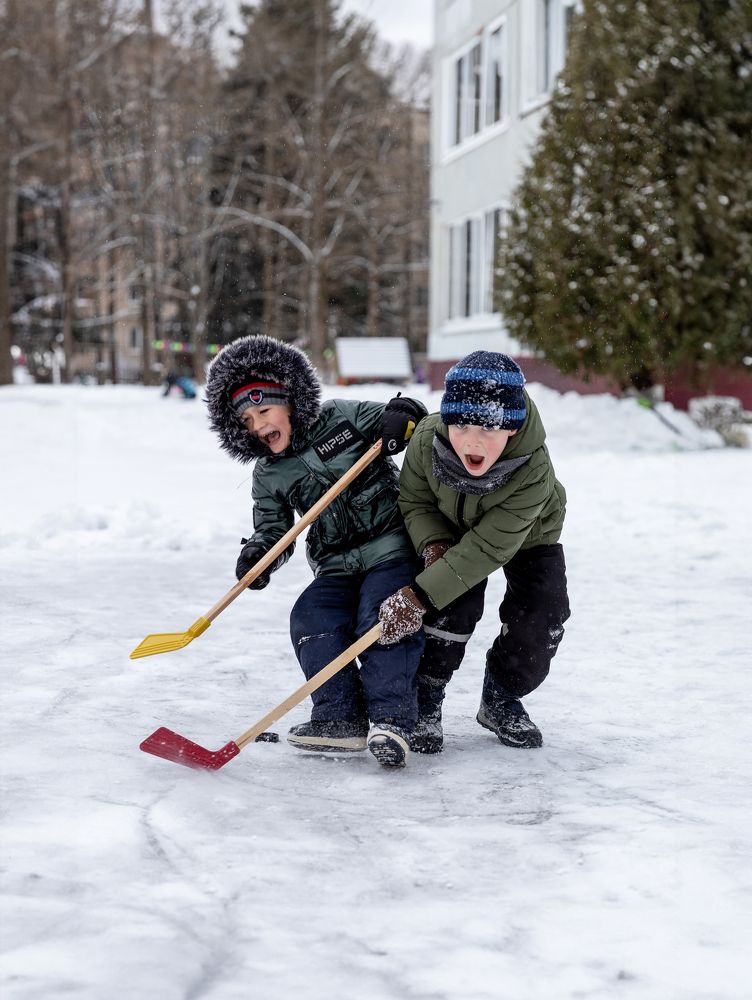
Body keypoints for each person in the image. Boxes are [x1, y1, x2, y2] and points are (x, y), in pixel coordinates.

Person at [205, 335, 427, 768]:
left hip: (391, 547)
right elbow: (273, 527)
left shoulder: (341, 418)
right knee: (311, 616)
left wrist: (401, 416)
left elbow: (406, 416)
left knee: (379, 615)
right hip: (336, 565)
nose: (258, 426)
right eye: (247, 421)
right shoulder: (268, 474)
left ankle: (393, 720)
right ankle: (338, 718)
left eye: (264, 411)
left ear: (289, 402)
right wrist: (259, 553)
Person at [378, 351, 570, 753]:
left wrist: (418, 595)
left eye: (488, 427)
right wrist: (433, 545)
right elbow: (415, 502)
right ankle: (426, 697)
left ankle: (501, 695)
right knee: (451, 603)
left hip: (527, 533)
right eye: (461, 423)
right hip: (450, 524)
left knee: (542, 618)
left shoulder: (532, 468)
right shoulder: (428, 443)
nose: (471, 439)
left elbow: (487, 548)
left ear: (513, 429)